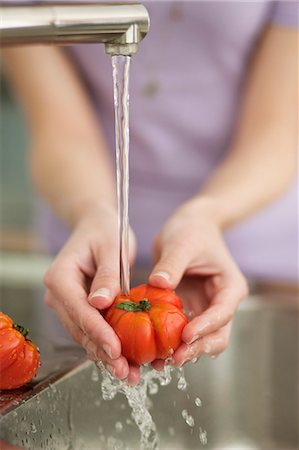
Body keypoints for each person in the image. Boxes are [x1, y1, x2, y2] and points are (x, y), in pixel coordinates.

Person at [3, 1, 298, 384]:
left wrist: (207, 215)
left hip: (261, 248)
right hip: (90, 262)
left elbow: (277, 133)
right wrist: (93, 211)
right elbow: (60, 131)